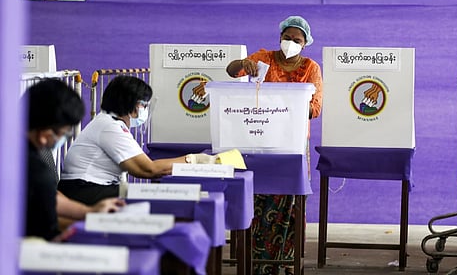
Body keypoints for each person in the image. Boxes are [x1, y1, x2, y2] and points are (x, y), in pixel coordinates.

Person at [225, 15, 323, 275]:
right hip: (260, 140)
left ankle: (287, 263)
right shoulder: (264, 58)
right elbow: (233, 71)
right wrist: (241, 63)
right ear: (280, 37)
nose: (291, 42)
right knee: (258, 199)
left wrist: (290, 105)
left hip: (292, 145)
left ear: (306, 43)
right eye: (287, 38)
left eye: (297, 40)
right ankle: (257, 264)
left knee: (291, 203)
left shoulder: (311, 68)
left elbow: (315, 108)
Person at [58, 75, 217, 205]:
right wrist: (194, 159)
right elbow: (148, 170)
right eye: (143, 105)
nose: (145, 110)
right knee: (170, 201)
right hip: (84, 191)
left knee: (175, 197)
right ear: (129, 104)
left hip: (93, 188)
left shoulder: (109, 122)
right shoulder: (110, 127)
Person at [24, 78, 125, 241]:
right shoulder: (36, 172)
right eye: (65, 134)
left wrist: (89, 212)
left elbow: (49, 197)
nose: (66, 137)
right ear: (45, 136)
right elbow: (49, 234)